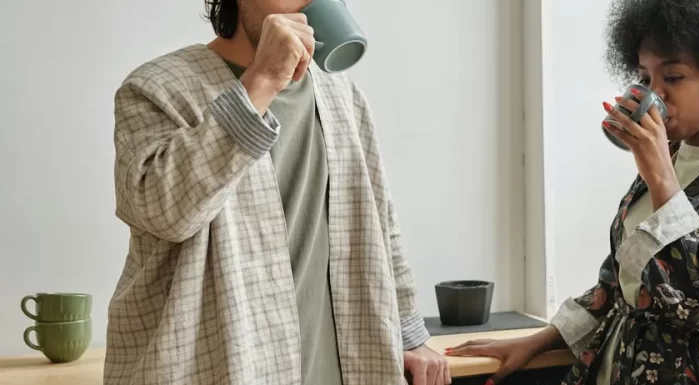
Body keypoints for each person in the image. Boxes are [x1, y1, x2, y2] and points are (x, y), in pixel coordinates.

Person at [446, 0, 699, 384]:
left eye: (673, 77)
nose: (656, 94)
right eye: (645, 78)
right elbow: (619, 284)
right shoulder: (669, 157)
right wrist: (537, 341)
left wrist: (661, 179)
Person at [105, 1, 448, 384]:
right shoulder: (157, 88)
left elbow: (380, 221)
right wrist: (262, 80)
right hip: (213, 369)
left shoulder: (344, 97)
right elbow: (166, 213)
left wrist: (410, 334)